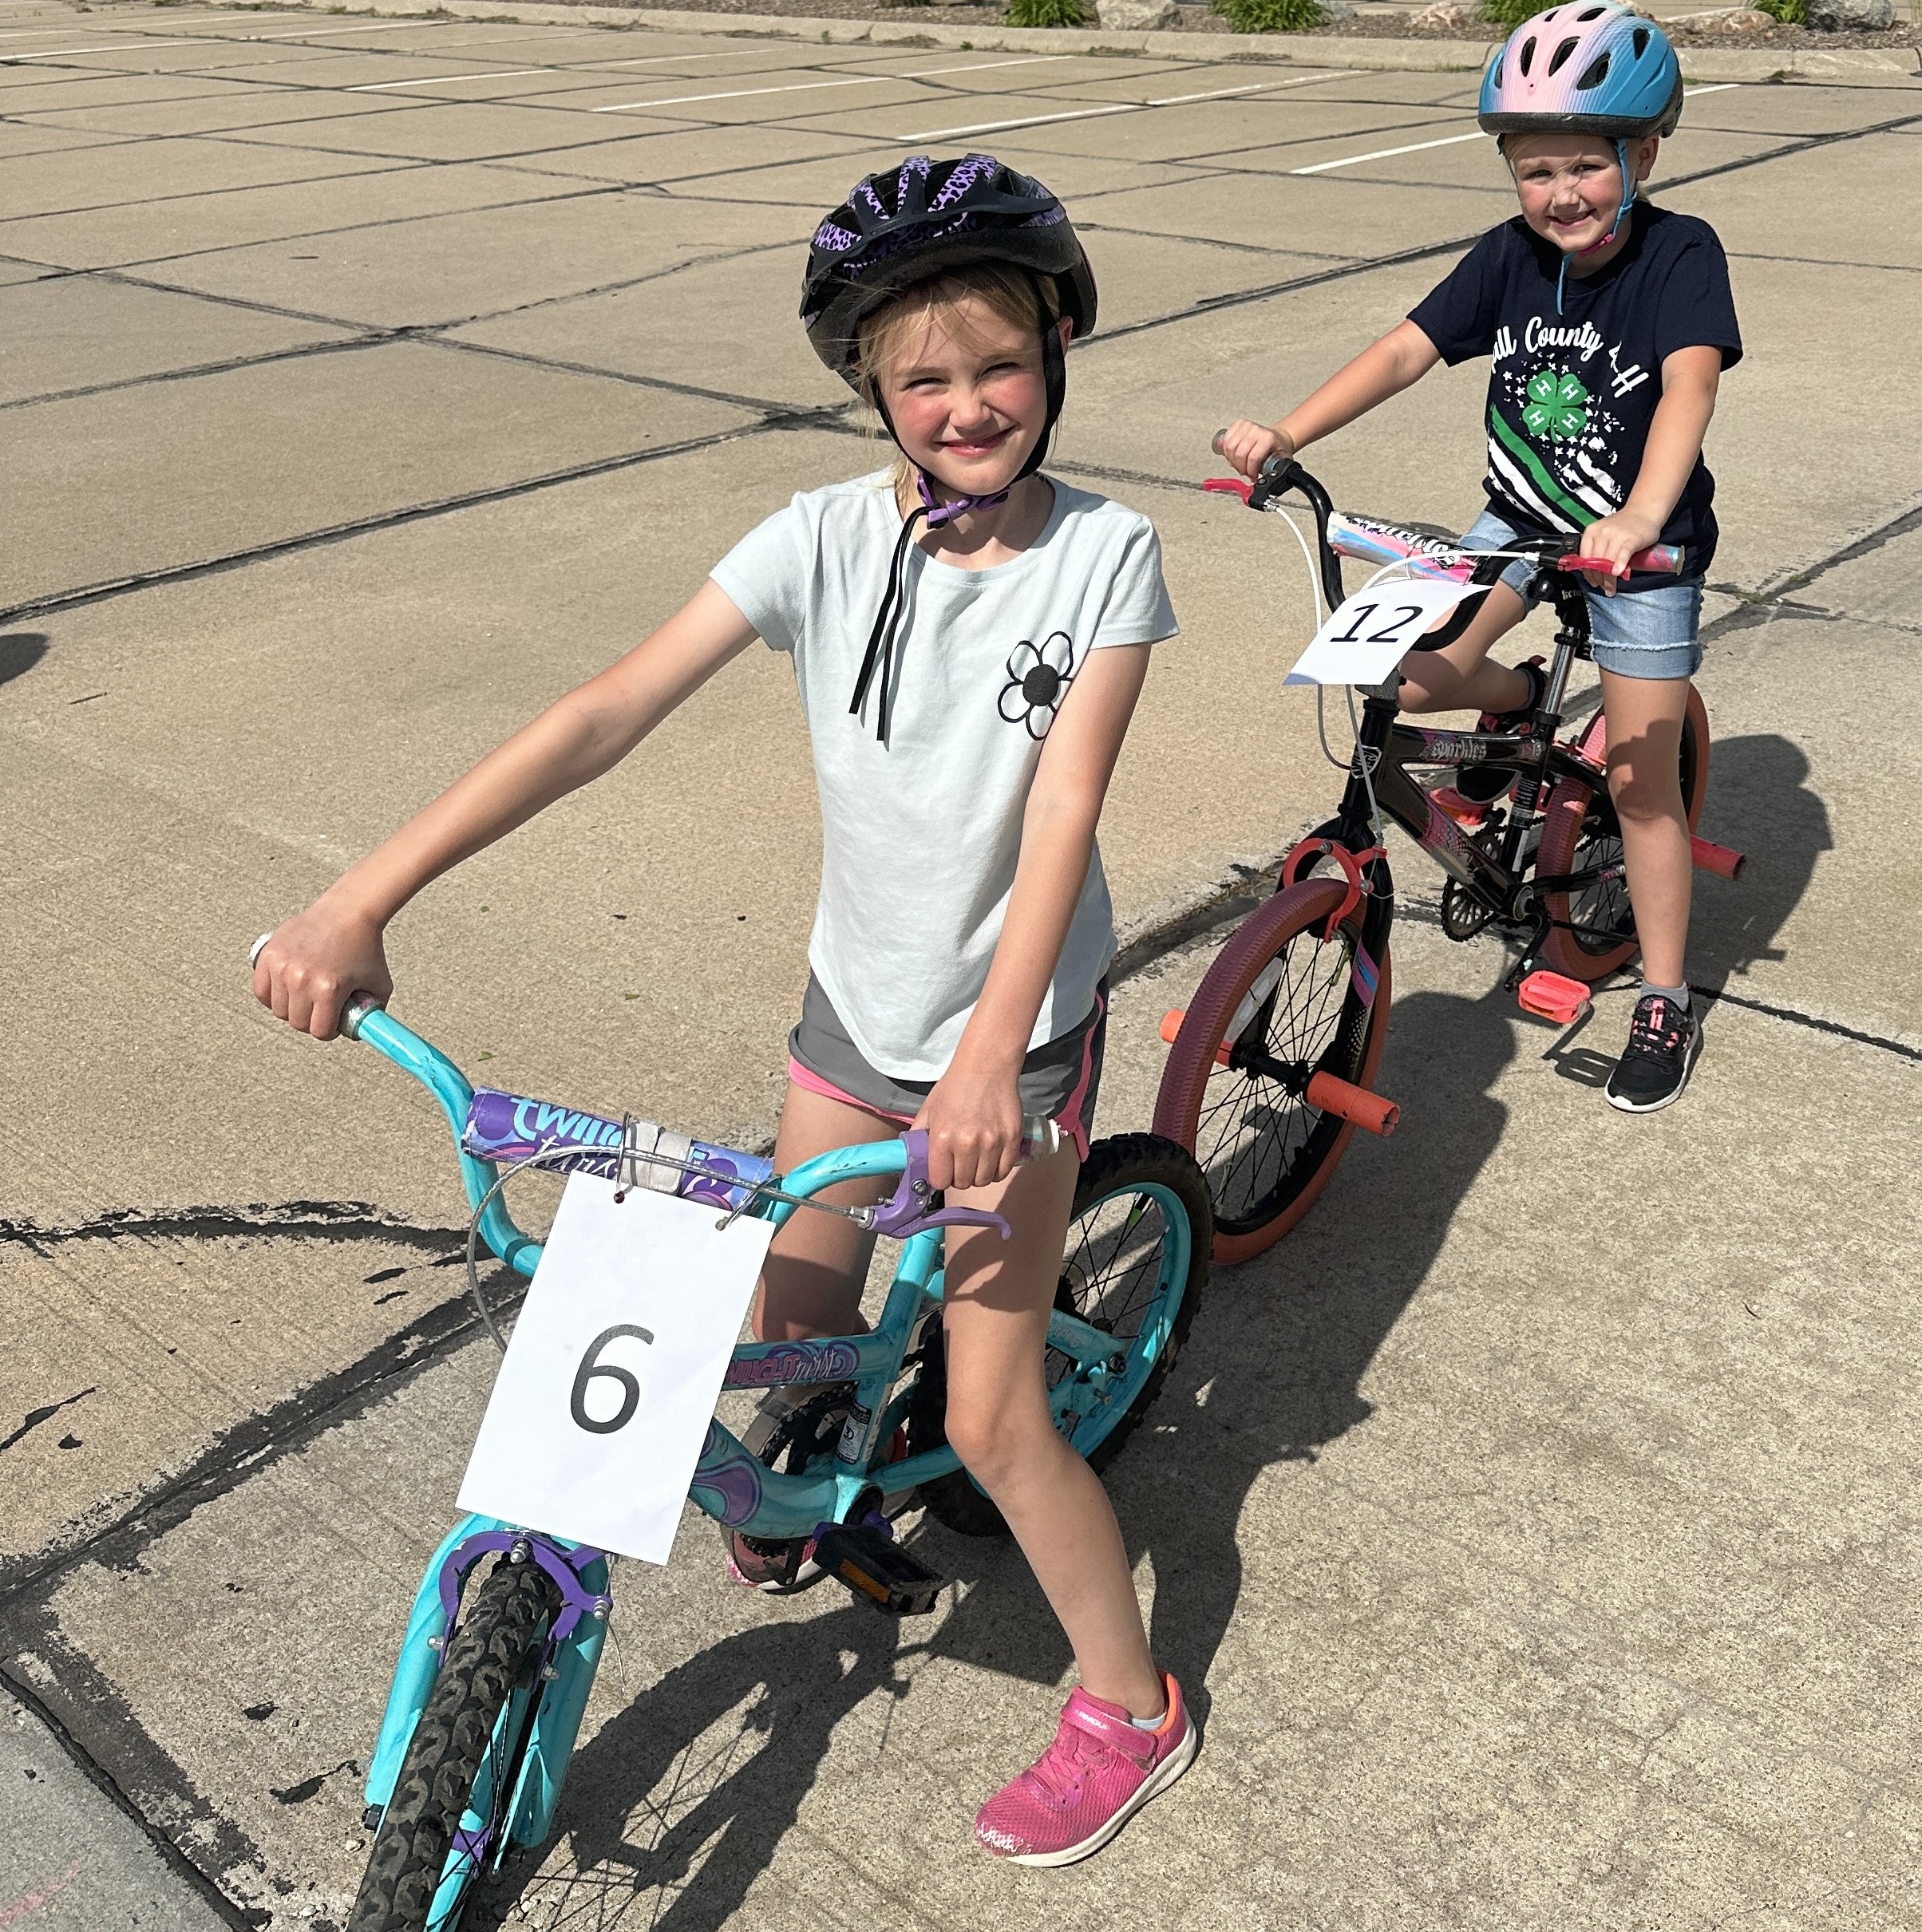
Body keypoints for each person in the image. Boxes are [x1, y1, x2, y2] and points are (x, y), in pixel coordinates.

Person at [251, 154, 1195, 1868]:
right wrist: (361, 891)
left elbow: (1060, 815)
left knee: (988, 1413)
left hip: (1013, 1045)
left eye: (999, 363)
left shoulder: (1105, 558)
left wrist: (996, 1052)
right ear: (870, 392)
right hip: (857, 1014)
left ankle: (1129, 1698)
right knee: (786, 1315)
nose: (968, 402)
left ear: (1060, 349)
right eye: (924, 375)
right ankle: (817, 1470)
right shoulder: (821, 536)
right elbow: (603, 710)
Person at [1215, 8, 1742, 1113]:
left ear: (1642, 154)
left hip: (1643, 549)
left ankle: (1661, 992)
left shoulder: (1681, 254)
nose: (1560, 195)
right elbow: (1409, 346)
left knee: (1644, 786)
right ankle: (1515, 723)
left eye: (1585, 166)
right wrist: (1289, 435)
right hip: (1520, 522)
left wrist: (1642, 517)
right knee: (1405, 678)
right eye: (1534, 170)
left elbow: (1688, 383)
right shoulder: (1510, 259)